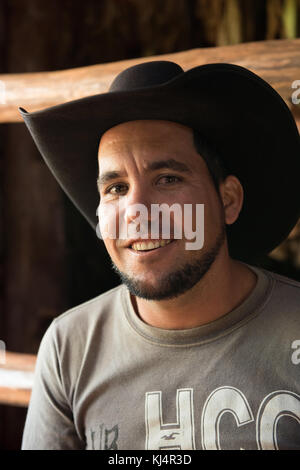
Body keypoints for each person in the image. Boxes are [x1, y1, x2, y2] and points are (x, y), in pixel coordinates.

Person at [19, 60, 300, 450]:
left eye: (168, 179)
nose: (138, 212)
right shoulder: (70, 347)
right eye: (116, 188)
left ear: (228, 200)